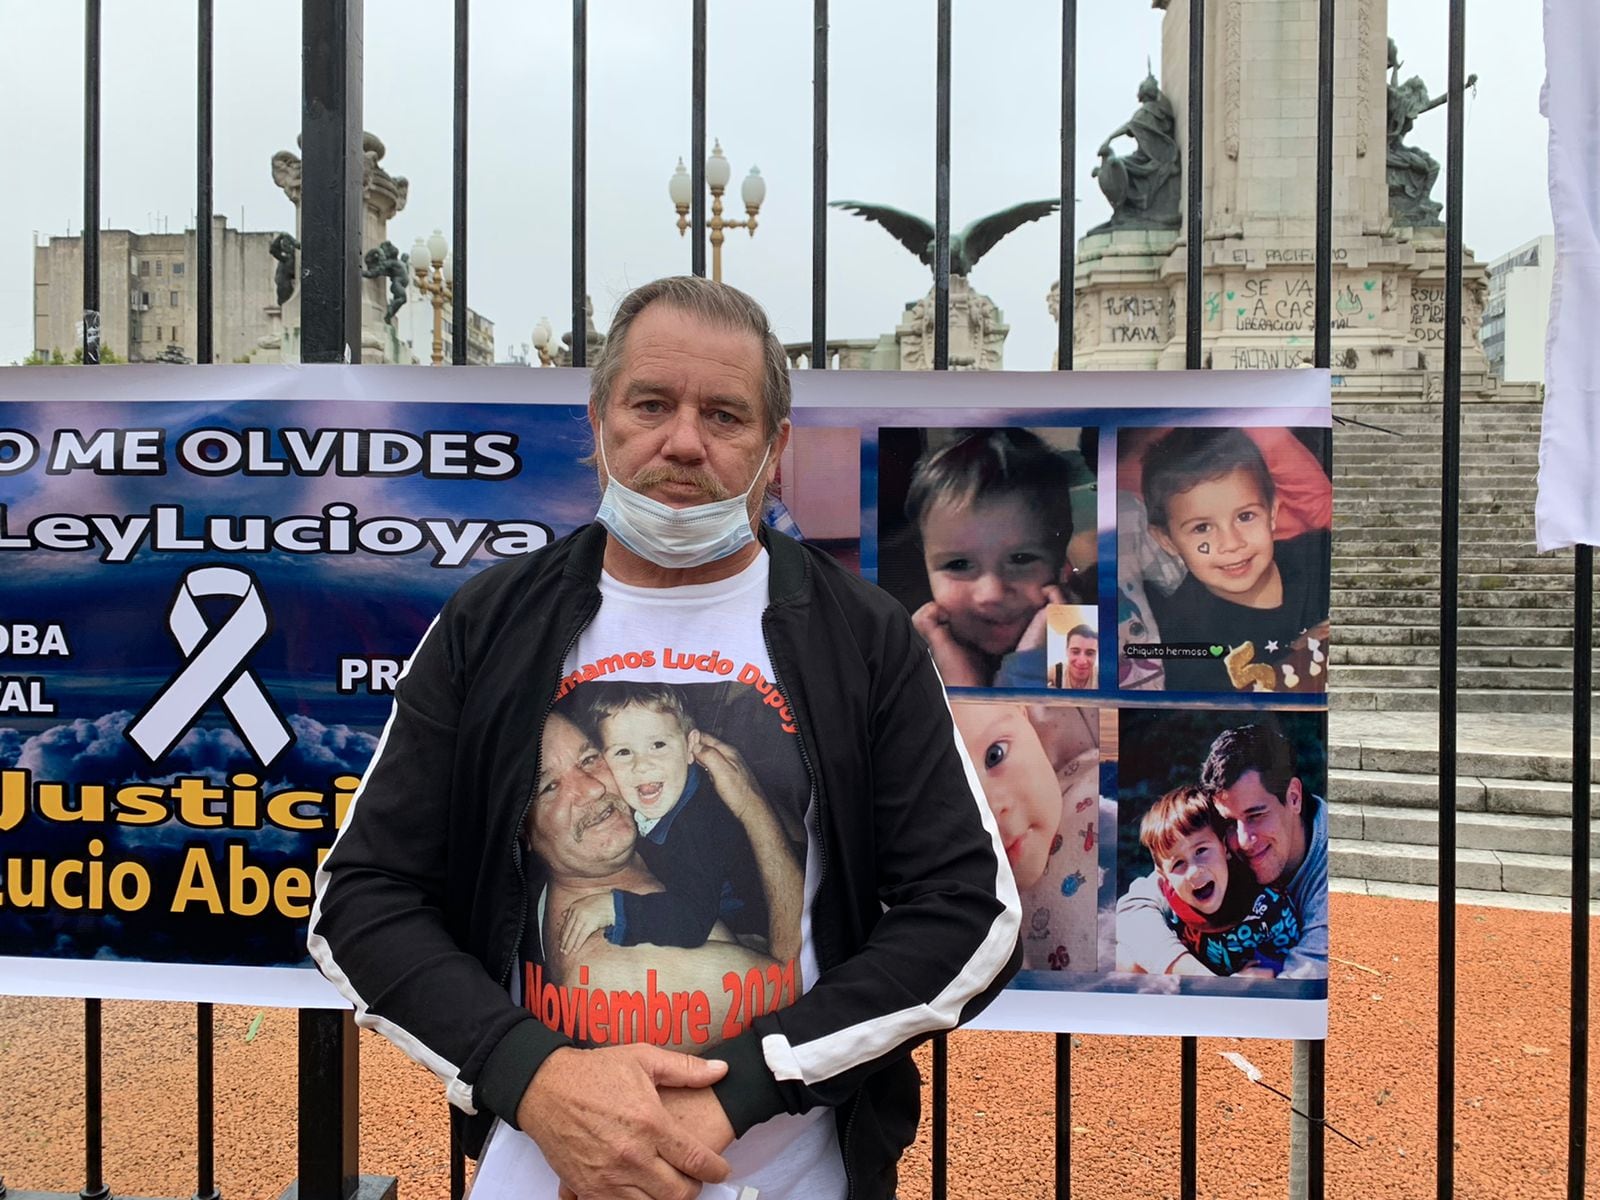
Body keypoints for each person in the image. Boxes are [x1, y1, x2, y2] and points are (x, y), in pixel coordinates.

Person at [308, 275, 1021, 1200]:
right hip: (545, 1166)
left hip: (791, 1170)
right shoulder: (494, 622)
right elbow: (362, 899)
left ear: (775, 449)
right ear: (599, 422)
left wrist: (749, 1089)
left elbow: (970, 912)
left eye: (725, 415)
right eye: (652, 404)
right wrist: (534, 1075)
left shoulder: (860, 634)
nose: (683, 441)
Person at [555, 684, 778, 954]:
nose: (642, 765)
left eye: (658, 745)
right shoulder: (655, 793)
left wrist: (615, 909)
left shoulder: (698, 824)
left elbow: (692, 921)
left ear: (689, 748)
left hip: (752, 924)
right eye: (623, 752)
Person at [1115, 722, 1327, 979]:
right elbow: (1133, 908)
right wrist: (1200, 977)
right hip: (1214, 982)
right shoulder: (1218, 848)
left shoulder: (1329, 869)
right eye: (1229, 822)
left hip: (1266, 997)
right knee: (1128, 962)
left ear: (1293, 797)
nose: (1243, 841)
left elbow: (1304, 981)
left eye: (1256, 815)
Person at [1139, 428, 1329, 693]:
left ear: (1272, 513)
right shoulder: (1181, 635)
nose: (1231, 544)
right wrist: (1297, 655)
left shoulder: (1319, 556)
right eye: (1202, 528)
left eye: (1245, 517)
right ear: (1167, 540)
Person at [905, 428, 1078, 688]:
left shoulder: (1079, 638)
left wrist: (1026, 668)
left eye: (1020, 559)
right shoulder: (912, 655)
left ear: (1061, 566)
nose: (992, 594)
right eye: (959, 564)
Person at [952, 701, 1099, 972]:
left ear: (1026, 719)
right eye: (946, 800)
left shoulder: (1095, 775)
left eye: (995, 755)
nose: (990, 813)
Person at [1125, 784, 1301, 977]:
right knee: (1126, 958)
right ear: (1164, 878)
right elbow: (1129, 923)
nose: (1193, 872)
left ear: (1225, 847)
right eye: (1178, 864)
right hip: (1188, 993)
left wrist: (1263, 974)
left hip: (1249, 1000)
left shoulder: (1269, 907)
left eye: (1201, 851)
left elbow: (1289, 963)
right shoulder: (1169, 907)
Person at [1062, 624, 1097, 690]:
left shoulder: (1102, 676)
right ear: (1066, 651)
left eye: (1089, 653)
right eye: (1075, 652)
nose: (1082, 661)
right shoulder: (1057, 672)